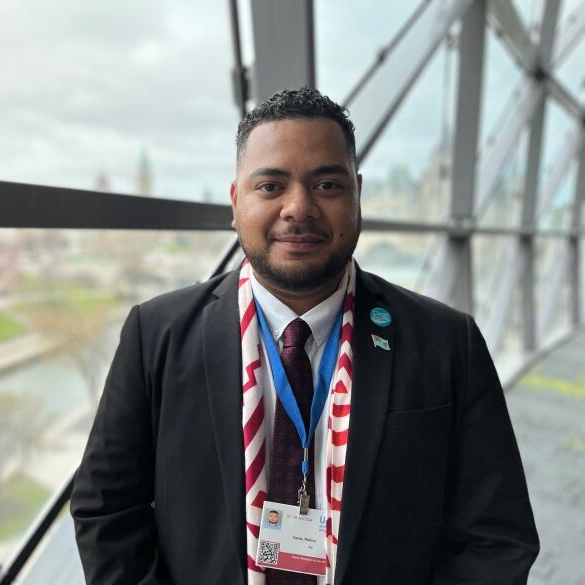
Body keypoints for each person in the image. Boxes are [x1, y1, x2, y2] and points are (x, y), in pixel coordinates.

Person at [71, 87, 539, 585]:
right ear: (236, 202)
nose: (299, 208)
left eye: (328, 186)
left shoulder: (447, 343)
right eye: (271, 186)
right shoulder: (157, 335)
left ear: (357, 194)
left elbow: (496, 536)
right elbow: (107, 509)